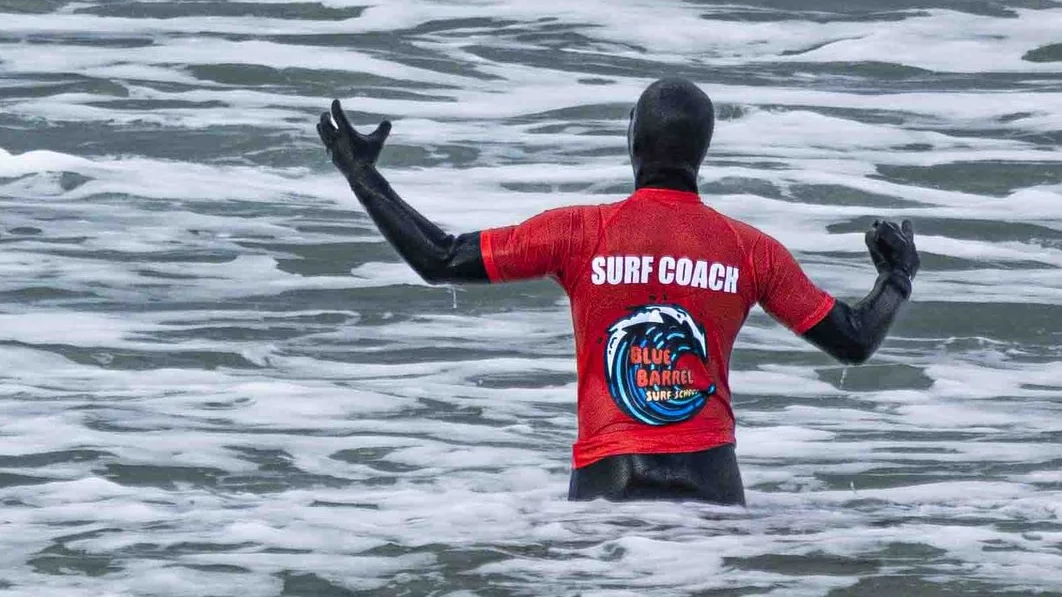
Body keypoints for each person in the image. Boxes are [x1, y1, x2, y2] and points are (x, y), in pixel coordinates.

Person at [316, 78, 916, 504]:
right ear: (701, 154)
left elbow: (439, 258)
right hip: (713, 486)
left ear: (633, 143)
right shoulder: (750, 249)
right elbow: (853, 340)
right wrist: (897, 277)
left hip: (609, 487)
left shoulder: (579, 232)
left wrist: (360, 172)